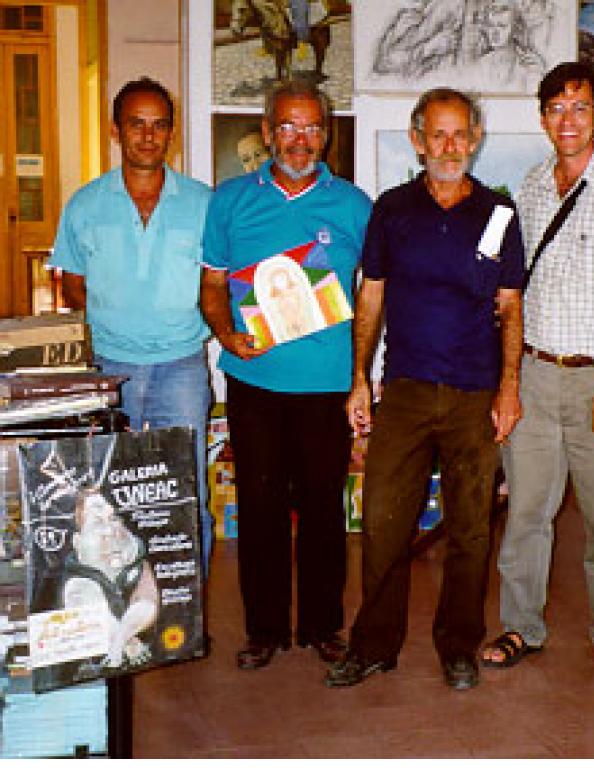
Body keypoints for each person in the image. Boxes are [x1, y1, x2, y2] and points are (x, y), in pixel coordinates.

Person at [325, 87, 525, 692]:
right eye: (438, 134)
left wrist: (509, 386)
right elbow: (372, 296)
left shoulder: (499, 214)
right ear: (418, 140)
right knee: (384, 524)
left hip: (473, 395)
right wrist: (358, 378)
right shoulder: (392, 210)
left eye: (461, 133)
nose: (450, 146)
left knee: (469, 529)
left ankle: (457, 646)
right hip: (406, 391)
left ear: (475, 139)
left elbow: (511, 307)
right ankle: (374, 645)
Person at [480, 61, 594, 683]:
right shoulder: (528, 188)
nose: (568, 120)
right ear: (543, 118)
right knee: (527, 508)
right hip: (533, 371)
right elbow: (510, 291)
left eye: (579, 108)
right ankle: (519, 625)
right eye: (556, 109)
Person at [199, 77, 372, 671]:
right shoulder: (229, 200)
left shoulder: (353, 206)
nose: (300, 141)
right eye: (289, 128)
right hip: (255, 383)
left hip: (326, 385)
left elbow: (371, 297)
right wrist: (226, 334)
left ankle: (324, 627)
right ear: (268, 132)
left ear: (327, 136)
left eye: (313, 129)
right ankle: (264, 629)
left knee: (325, 509)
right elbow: (213, 287)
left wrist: (361, 377)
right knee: (261, 507)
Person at [50, 77, 215, 578]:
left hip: (181, 366)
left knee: (185, 489)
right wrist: (109, 330)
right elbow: (71, 284)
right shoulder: (85, 204)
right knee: (103, 492)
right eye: (136, 124)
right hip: (107, 370)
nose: (148, 136)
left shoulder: (203, 203)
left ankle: (188, 609)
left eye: (159, 125)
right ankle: (110, 599)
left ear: (172, 134)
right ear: (116, 130)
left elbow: (219, 281)